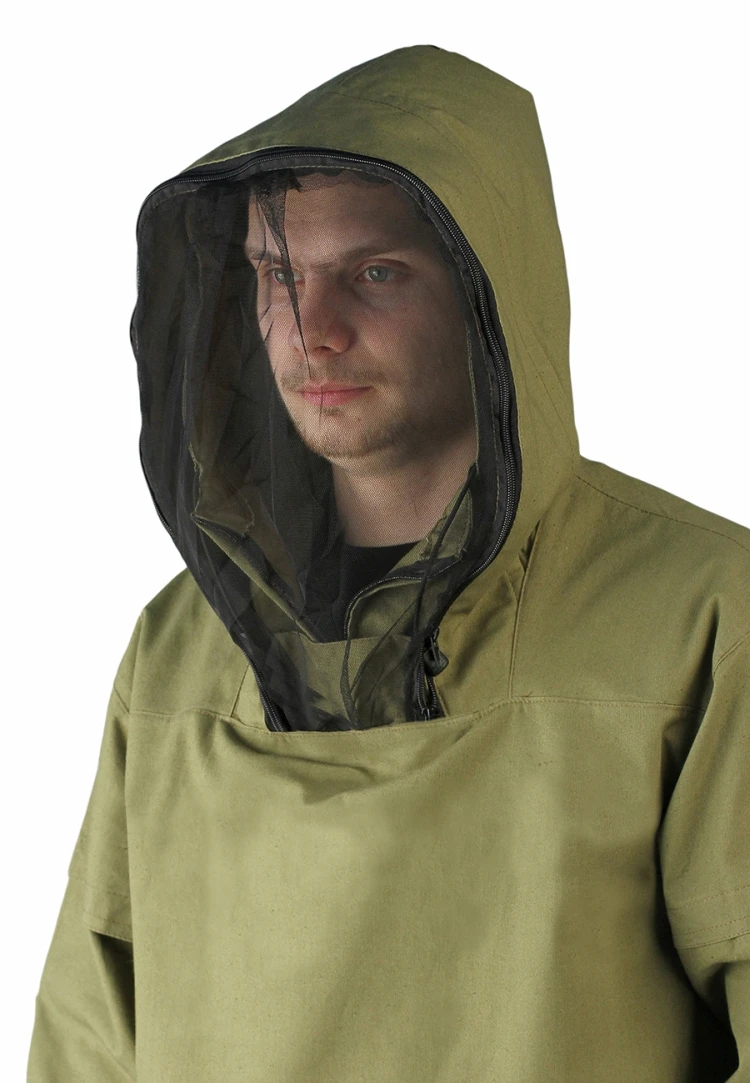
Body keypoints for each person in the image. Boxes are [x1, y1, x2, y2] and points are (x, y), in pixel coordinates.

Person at [27, 45, 749, 1082]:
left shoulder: (704, 616)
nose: (312, 332)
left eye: (375, 274)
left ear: (489, 297)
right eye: (279, 275)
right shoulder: (181, 645)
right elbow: (87, 1040)